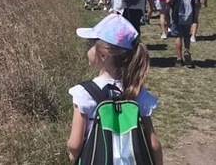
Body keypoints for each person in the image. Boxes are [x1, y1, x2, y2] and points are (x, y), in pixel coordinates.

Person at [67, 13, 163, 165]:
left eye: (91, 43)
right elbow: (154, 144)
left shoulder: (84, 93)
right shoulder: (136, 92)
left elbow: (75, 144)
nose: (89, 47)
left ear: (103, 55)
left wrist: (73, 158)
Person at [166, 0, 195, 68]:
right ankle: (187, 52)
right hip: (188, 15)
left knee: (178, 36)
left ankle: (179, 59)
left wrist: (171, 7)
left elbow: (167, 0)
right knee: (187, 35)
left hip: (177, 15)